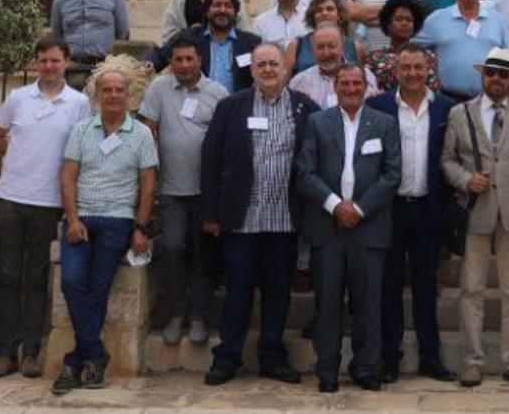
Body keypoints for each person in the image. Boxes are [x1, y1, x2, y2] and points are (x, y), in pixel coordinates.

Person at [201, 43, 316, 386]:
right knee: (237, 290)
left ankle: (272, 356)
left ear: (286, 69)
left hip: (284, 220)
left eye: (274, 64)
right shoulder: (230, 107)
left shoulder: (304, 108)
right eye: (261, 64)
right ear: (251, 70)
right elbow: (210, 160)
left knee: (278, 291)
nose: (267, 69)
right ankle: (228, 357)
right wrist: (211, 212)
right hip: (241, 219)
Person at [0, 36, 91, 378]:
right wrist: (18, 160)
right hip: (11, 198)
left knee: (37, 276)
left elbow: (81, 150)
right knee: (8, 277)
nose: (48, 66)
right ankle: (4, 352)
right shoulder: (18, 98)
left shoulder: (78, 103)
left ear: (67, 62)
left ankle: (31, 351)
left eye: (55, 60)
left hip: (49, 201)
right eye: (43, 60)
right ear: (35, 63)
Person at [441, 48, 509, 388]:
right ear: (483, 76)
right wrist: (465, 180)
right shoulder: (461, 113)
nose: (496, 80)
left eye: (503, 74)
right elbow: (447, 160)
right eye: (491, 73)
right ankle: (472, 361)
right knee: (471, 290)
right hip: (476, 212)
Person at [52, 64, 157, 395]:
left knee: (98, 288)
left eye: (119, 90)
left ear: (129, 96)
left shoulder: (141, 134)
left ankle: (76, 361)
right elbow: (68, 177)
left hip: (117, 221)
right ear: (97, 96)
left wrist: (140, 228)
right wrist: (72, 219)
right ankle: (93, 355)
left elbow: (148, 186)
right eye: (106, 90)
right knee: (71, 282)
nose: (113, 95)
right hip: (81, 218)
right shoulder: (82, 130)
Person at [297, 64, 402, 392]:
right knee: (327, 303)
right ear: (336, 87)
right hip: (328, 228)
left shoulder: (384, 123)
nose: (352, 88)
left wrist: (358, 208)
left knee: (368, 303)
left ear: (367, 87)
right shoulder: (317, 122)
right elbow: (305, 172)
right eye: (346, 83)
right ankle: (327, 369)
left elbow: (392, 174)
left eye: (357, 83)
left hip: (369, 227)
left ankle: (365, 367)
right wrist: (334, 205)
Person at [365, 45, 457, 383]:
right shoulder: (377, 106)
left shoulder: (447, 108)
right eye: (406, 68)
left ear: (428, 70)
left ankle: (430, 356)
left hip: (428, 210)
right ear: (396, 71)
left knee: (424, 287)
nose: (413, 74)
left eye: (419, 68)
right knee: (389, 287)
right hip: (389, 210)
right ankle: (390, 357)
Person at [137, 37, 229, 347]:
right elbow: (146, 130)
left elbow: (224, 141)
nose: (184, 65)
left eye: (190, 59)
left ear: (200, 60)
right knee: (174, 250)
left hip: (205, 191)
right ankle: (176, 314)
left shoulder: (217, 93)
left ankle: (200, 316)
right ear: (171, 62)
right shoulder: (159, 89)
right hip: (172, 191)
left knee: (202, 256)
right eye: (178, 60)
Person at [413, 0, 509, 101]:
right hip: (448, 99)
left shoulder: (497, 20)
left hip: (489, 99)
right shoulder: (437, 19)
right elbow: (413, 51)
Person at [150, 0, 261, 91]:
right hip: (198, 106)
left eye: (228, 6)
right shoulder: (190, 36)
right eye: (217, 5)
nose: (222, 10)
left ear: (235, 12)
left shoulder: (251, 43)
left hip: (236, 108)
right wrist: (149, 63)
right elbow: (161, 55)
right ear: (206, 11)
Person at [362, 0, 441, 91]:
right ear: (388, 24)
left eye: (409, 20)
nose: (404, 23)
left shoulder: (427, 57)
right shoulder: (375, 59)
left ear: (415, 26)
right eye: (398, 19)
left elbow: (433, 89)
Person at [291, 24, 382, 107]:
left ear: (342, 48)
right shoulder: (299, 82)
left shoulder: (366, 76)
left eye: (331, 46)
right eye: (320, 47)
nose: (326, 53)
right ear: (313, 50)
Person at [287, 0, 363, 75]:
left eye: (330, 9)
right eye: (319, 10)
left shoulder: (355, 47)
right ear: (313, 16)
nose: (324, 13)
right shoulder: (296, 45)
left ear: (339, 14)